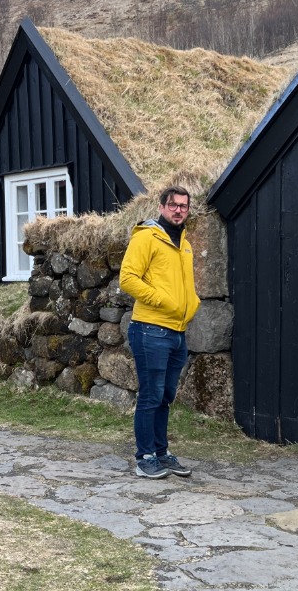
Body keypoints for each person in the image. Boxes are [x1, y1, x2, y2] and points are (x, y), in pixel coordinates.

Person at [119, 185, 201, 479]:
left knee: (165, 396)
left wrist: (192, 305)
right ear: (162, 206)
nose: (179, 210)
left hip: (177, 332)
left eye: (184, 206)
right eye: (174, 205)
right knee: (151, 395)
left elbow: (186, 287)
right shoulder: (147, 237)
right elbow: (127, 278)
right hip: (150, 329)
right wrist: (161, 300)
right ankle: (145, 458)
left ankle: (162, 453)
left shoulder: (186, 244)